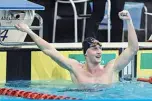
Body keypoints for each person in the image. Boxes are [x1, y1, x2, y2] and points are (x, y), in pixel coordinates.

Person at [15, 10, 138, 85]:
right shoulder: (75, 68)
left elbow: (133, 49)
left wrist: (129, 21)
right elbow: (49, 50)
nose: (99, 51)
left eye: (100, 48)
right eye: (94, 48)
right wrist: (29, 31)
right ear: (85, 53)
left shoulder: (110, 68)